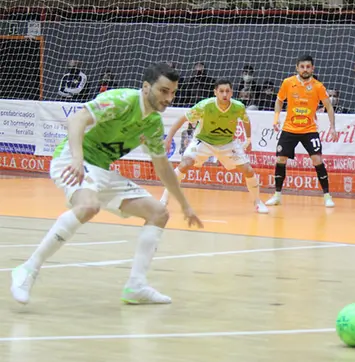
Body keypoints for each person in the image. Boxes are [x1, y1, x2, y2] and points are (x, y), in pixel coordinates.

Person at [10, 62, 204, 305]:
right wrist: (78, 159)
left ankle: (136, 286)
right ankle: (28, 269)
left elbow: (163, 167)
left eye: (173, 92)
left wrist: (185, 205)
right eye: (164, 91)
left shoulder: (153, 124)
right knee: (88, 206)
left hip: (102, 170)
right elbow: (77, 120)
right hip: (72, 160)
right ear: (146, 87)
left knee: (158, 213)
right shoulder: (121, 100)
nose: (169, 98)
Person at [160, 78, 268, 214]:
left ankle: (257, 202)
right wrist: (168, 138)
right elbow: (182, 119)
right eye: (221, 91)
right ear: (215, 92)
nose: (224, 94)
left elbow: (246, 121)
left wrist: (249, 139)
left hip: (227, 143)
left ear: (232, 93)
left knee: (248, 170)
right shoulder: (205, 105)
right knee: (185, 164)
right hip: (203, 141)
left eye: (227, 91)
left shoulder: (238, 107)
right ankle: (163, 200)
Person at [265, 55, 339, 208]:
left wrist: (332, 127)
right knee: (280, 160)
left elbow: (329, 106)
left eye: (308, 67)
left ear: (312, 68)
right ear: (297, 68)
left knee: (317, 160)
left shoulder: (318, 86)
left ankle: (327, 196)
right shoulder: (288, 83)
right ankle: (277, 195)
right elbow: (279, 101)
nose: (305, 69)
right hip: (289, 129)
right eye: (302, 66)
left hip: (309, 130)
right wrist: (276, 118)